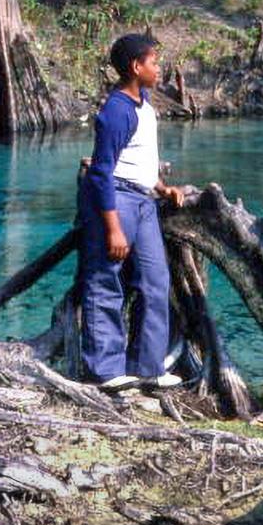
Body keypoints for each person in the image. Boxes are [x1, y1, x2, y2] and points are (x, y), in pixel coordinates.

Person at [78, 33, 184, 392]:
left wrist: (161, 187)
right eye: (154, 62)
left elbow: (137, 158)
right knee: (105, 281)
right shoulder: (116, 110)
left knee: (156, 282)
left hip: (143, 201)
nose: (159, 68)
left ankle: (147, 366)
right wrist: (113, 228)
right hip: (117, 200)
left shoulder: (144, 103)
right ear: (136, 67)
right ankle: (105, 370)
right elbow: (102, 171)